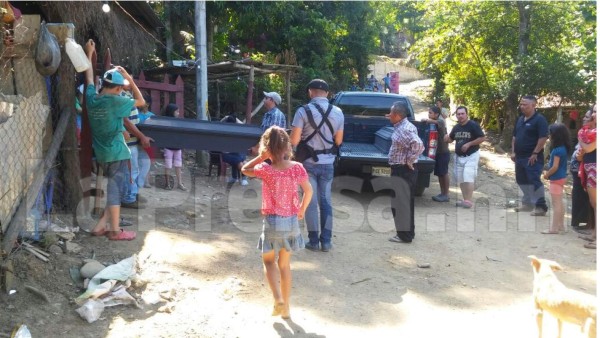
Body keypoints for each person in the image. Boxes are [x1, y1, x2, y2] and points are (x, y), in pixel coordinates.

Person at [241, 126, 313, 319]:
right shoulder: (297, 168)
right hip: (291, 222)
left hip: (273, 221)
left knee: (268, 261)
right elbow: (309, 191)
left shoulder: (265, 169)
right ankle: (286, 308)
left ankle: (278, 298)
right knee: (284, 265)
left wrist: (261, 157)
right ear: (287, 146)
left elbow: (244, 169)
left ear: (267, 148)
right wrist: (302, 210)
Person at [84, 39, 139, 241]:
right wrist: (131, 81)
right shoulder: (115, 101)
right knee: (116, 191)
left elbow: (89, 80)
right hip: (117, 152)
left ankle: (100, 226)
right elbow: (141, 102)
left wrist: (89, 55)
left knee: (116, 188)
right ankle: (115, 231)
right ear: (117, 89)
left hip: (102, 154)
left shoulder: (92, 98)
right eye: (121, 88)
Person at [290, 79, 344, 252]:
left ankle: (313, 241)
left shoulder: (302, 111)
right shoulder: (338, 112)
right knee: (326, 202)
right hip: (328, 163)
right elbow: (339, 140)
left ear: (310, 92)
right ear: (327, 94)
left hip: (307, 164)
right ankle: (326, 242)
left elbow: (294, 140)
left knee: (310, 201)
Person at [387, 101, 424, 243]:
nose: (389, 115)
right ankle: (407, 233)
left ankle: (404, 236)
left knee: (400, 203)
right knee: (404, 202)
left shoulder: (404, 129)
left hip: (403, 170)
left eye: (391, 113)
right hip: (402, 170)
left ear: (397, 115)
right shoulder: (403, 125)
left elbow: (418, 145)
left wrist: (410, 160)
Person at [511, 95, 549, 216]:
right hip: (519, 157)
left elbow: (543, 137)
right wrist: (513, 152)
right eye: (521, 104)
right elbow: (514, 137)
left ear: (533, 105)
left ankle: (541, 207)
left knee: (533, 180)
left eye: (525, 104)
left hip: (533, 157)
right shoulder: (520, 119)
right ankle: (527, 204)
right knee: (521, 179)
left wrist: (535, 153)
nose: (522, 107)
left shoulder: (540, 119)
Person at [444, 106, 486, 209]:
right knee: (461, 178)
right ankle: (465, 199)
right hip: (459, 156)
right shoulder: (456, 127)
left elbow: (482, 138)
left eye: (462, 114)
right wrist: (446, 138)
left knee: (468, 176)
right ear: (456, 116)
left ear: (467, 114)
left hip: (471, 155)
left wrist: (469, 144)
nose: (460, 116)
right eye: (458, 114)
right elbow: (451, 139)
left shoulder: (473, 125)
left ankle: (468, 200)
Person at [120, 83, 153, 208]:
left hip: (134, 139)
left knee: (144, 164)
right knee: (131, 170)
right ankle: (128, 198)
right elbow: (126, 122)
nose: (130, 82)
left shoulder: (127, 94)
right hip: (128, 140)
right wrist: (141, 136)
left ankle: (133, 192)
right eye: (128, 79)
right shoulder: (121, 96)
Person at [541, 123, 570, 234]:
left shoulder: (557, 150)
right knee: (560, 202)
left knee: (556, 203)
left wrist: (547, 174)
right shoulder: (563, 149)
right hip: (562, 177)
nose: (549, 135)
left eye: (550, 133)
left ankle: (554, 228)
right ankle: (561, 225)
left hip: (556, 178)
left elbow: (555, 167)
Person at [571, 110, 595, 232]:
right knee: (583, 199)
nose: (584, 119)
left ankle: (592, 229)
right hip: (581, 170)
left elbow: (588, 148)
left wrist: (581, 137)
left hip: (590, 171)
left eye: (587, 117)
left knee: (591, 201)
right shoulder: (586, 133)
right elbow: (581, 155)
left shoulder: (591, 135)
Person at [577, 104, 596, 249]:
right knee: (594, 204)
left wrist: (580, 137)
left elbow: (589, 148)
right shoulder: (592, 131)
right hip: (589, 168)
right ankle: (595, 234)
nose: (594, 114)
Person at [422, 106, 450, 202]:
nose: (428, 114)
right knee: (439, 174)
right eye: (428, 113)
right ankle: (442, 193)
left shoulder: (440, 121)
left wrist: (427, 120)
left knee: (444, 173)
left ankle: (445, 194)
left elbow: (436, 122)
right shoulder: (434, 121)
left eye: (430, 113)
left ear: (437, 114)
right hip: (437, 153)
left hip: (443, 152)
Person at [162, 103, 187, 191]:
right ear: (172, 112)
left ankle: (179, 183)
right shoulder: (166, 122)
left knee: (178, 166)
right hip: (168, 147)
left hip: (177, 148)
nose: (178, 113)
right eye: (177, 111)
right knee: (168, 166)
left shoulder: (179, 122)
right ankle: (167, 184)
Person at [222, 113, 248, 186]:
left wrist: (234, 118)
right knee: (240, 161)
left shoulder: (237, 129)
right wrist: (225, 117)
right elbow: (218, 124)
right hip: (227, 153)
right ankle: (243, 178)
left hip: (236, 152)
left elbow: (244, 126)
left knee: (241, 159)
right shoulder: (223, 128)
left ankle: (236, 177)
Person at [138, 93, 155, 188]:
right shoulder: (136, 114)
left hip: (148, 143)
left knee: (148, 161)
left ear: (147, 104)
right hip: (138, 141)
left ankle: (146, 180)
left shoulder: (152, 116)